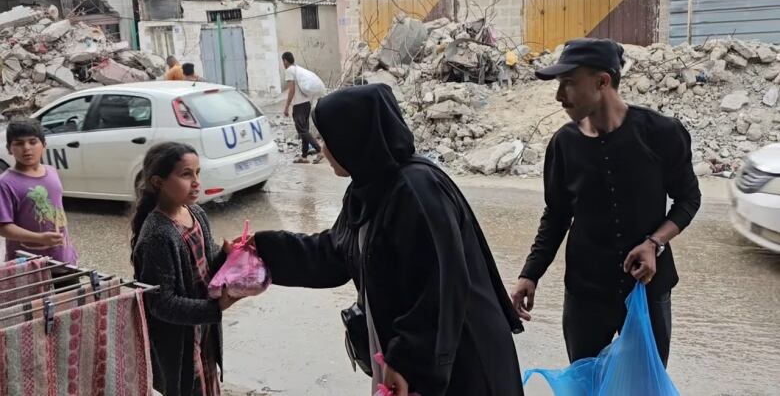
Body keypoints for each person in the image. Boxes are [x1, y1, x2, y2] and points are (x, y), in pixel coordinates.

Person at [249, 84, 525, 396]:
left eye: (329, 139)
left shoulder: (417, 190)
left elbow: (442, 283)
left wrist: (408, 359)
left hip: (463, 359)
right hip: (426, 358)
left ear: (354, 137)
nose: (324, 150)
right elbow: (334, 254)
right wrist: (261, 249)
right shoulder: (369, 188)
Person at [509, 38, 702, 367]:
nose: (559, 97)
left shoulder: (660, 133)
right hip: (585, 294)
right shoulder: (563, 145)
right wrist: (530, 275)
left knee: (644, 384)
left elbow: (689, 198)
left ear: (602, 82)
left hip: (648, 290)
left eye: (568, 84)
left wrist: (654, 243)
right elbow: (556, 216)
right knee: (586, 382)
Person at [131, 142, 240, 395]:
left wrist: (225, 254)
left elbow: (204, 264)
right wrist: (216, 307)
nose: (196, 182)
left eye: (198, 172)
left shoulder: (196, 213)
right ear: (158, 182)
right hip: (180, 343)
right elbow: (161, 304)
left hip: (203, 332)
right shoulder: (158, 235)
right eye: (185, 174)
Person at [0, 120, 78, 278]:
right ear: (9, 148)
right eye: (19, 143)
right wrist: (40, 238)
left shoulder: (51, 171)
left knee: (70, 301)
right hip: (29, 267)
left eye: (33, 142)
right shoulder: (5, 183)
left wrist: (71, 250)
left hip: (64, 261)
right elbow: (4, 227)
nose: (27, 148)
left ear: (44, 144)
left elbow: (58, 210)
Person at [282, 51, 323, 164]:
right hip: (306, 104)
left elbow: (292, 90)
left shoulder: (289, 71)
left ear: (285, 61)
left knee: (302, 131)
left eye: (283, 62)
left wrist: (286, 107)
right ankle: (304, 156)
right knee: (304, 130)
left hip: (299, 105)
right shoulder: (297, 69)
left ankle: (320, 150)